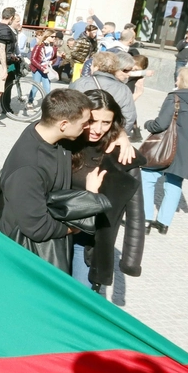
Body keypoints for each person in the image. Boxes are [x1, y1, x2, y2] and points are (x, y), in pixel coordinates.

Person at [0, 89, 102, 273]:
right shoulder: (29, 168)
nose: (88, 127)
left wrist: (121, 136)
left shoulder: (44, 130)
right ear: (63, 124)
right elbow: (37, 228)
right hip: (26, 258)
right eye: (85, 123)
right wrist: (74, 228)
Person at [65, 89, 146, 293]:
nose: (98, 129)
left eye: (106, 123)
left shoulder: (121, 155)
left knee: (82, 300)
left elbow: (136, 212)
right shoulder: (64, 143)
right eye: (92, 120)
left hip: (87, 244)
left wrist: (131, 261)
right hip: (53, 234)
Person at [140, 66, 188, 234]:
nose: (176, 81)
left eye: (179, 78)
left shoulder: (176, 97)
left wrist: (148, 124)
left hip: (168, 146)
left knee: (147, 178)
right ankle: (163, 223)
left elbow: (161, 124)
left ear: (186, 81)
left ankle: (145, 220)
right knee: (174, 183)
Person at [70, 50, 138, 133]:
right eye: (126, 70)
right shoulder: (124, 89)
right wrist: (114, 137)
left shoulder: (80, 82)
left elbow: (68, 109)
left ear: (96, 67)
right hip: (105, 134)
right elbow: (128, 118)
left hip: (80, 132)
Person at [28, 32, 59, 109]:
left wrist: (52, 62)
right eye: (52, 36)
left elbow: (55, 58)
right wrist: (41, 68)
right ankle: (30, 101)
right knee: (36, 87)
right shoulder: (39, 46)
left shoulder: (54, 47)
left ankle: (47, 105)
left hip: (47, 68)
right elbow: (33, 59)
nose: (54, 38)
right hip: (38, 68)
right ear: (47, 36)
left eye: (55, 37)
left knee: (47, 88)